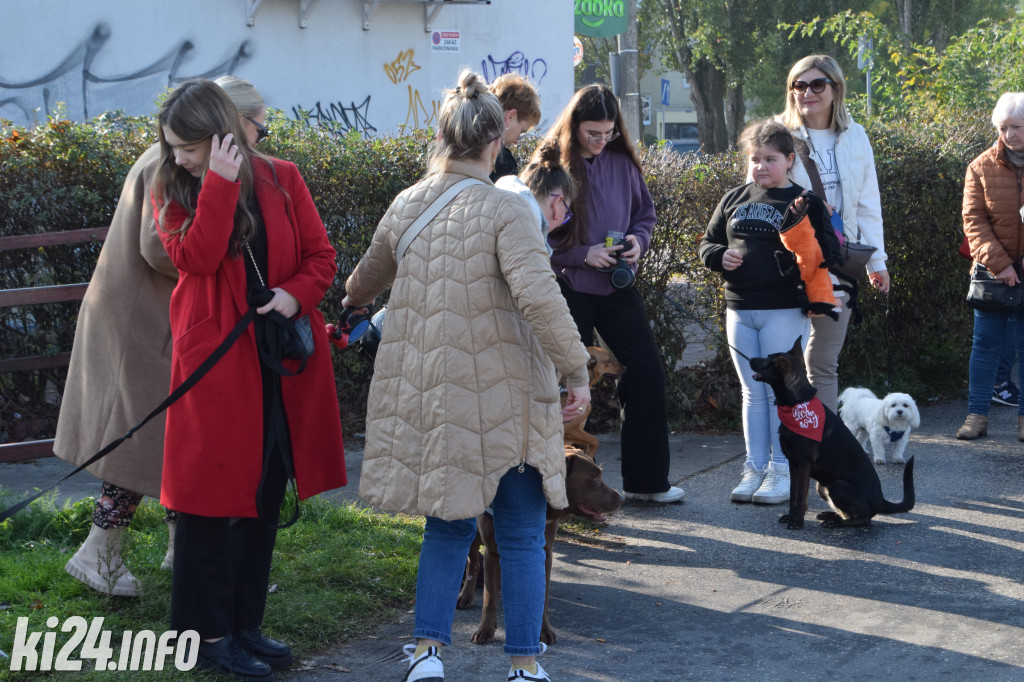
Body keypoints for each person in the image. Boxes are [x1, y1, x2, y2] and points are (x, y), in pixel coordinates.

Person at [341, 69, 590, 682]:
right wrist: (576, 369)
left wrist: (354, 302)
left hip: (437, 400)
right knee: (524, 535)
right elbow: (539, 298)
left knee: (447, 528)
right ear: (493, 142)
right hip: (508, 398)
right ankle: (525, 665)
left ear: (444, 137)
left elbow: (360, 284)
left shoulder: (407, 203)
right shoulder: (509, 209)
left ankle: (427, 656)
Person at [153, 79, 346, 680]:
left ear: (219, 135)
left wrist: (295, 295)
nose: (177, 156)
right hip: (215, 367)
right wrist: (215, 181)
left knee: (264, 493)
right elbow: (198, 258)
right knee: (207, 503)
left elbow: (322, 256)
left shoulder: (284, 177)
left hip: (279, 365)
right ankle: (203, 635)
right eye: (174, 147)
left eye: (187, 146)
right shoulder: (172, 186)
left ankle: (243, 625)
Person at [53, 75, 270, 598]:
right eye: (258, 126)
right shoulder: (170, 162)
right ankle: (97, 554)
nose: (262, 136)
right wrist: (220, 265)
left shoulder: (177, 156)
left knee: (169, 443)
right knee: (140, 441)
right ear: (232, 123)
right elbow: (160, 248)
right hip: (142, 324)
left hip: (151, 321)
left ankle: (183, 551)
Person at [545, 83, 685, 504]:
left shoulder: (623, 160)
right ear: (573, 127)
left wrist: (638, 242)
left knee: (647, 373)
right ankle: (548, 491)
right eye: (593, 134)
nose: (601, 141)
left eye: (608, 132)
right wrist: (582, 254)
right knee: (555, 385)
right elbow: (533, 235)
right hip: (568, 285)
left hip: (616, 283)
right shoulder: (551, 163)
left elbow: (645, 215)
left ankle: (647, 483)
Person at [699, 120, 836, 504]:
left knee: (783, 395)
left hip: (785, 309)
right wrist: (716, 256)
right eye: (755, 159)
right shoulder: (734, 198)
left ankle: (781, 471)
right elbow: (708, 242)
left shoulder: (804, 201)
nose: (761, 166)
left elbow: (826, 254)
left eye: (770, 159)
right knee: (752, 393)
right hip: (740, 309)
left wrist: (817, 296)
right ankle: (754, 468)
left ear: (790, 160)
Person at [779, 55, 889, 412]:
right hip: (789, 261)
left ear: (835, 89)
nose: (807, 93)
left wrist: (877, 262)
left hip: (837, 259)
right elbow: (758, 196)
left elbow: (867, 202)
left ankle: (822, 449)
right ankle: (784, 454)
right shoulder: (778, 134)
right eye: (799, 85)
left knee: (824, 363)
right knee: (783, 359)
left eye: (817, 85)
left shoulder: (855, 136)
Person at [957, 92, 1024, 441]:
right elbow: (974, 222)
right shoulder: (979, 166)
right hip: (991, 272)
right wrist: (1001, 265)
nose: (1009, 134)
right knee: (984, 347)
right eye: (1003, 127)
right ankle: (976, 415)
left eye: (1016, 126)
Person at [494, 139, 574, 252]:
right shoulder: (529, 239)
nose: (562, 221)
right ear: (557, 202)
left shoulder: (497, 202)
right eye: (566, 213)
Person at [488, 73, 541, 182]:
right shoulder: (504, 163)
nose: (517, 141)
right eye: (521, 131)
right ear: (511, 116)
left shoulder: (465, 144)